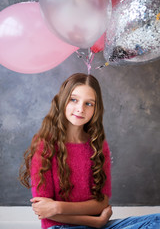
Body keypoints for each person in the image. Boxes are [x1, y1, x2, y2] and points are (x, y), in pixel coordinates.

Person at [19, 73, 160, 229]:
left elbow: (102, 202)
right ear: (62, 100)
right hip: (60, 227)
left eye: (89, 104)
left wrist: (58, 207)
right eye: (74, 100)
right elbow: (43, 210)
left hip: (98, 226)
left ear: (96, 108)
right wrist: (96, 221)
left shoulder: (97, 145)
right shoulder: (44, 144)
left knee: (157, 220)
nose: (80, 109)